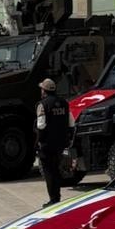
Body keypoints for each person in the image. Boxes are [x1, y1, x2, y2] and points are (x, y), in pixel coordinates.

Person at [35, 77, 70, 207]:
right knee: (56, 169)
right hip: (61, 143)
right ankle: (57, 197)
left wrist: (38, 142)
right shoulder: (64, 103)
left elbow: (41, 125)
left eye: (41, 89)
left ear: (44, 91)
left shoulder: (42, 105)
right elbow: (71, 122)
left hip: (47, 144)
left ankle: (53, 199)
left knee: (49, 172)